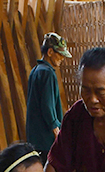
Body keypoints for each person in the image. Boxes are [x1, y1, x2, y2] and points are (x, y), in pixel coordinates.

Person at [26, 32, 71, 161]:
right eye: (60, 54)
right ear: (50, 52)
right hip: (46, 137)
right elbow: (47, 105)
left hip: (35, 137)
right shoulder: (48, 73)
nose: (62, 58)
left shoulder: (35, 71)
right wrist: (56, 130)